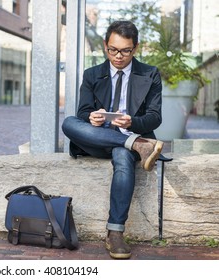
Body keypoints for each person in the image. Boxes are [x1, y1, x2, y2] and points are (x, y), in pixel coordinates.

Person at [62, 20, 164, 259]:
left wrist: (132, 124)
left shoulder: (150, 75)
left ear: (135, 48)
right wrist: (92, 118)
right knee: (68, 123)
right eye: (113, 50)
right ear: (105, 46)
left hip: (128, 138)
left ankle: (115, 233)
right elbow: (82, 113)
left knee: (122, 157)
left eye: (125, 51)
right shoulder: (91, 75)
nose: (118, 56)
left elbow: (155, 117)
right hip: (99, 139)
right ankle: (139, 146)